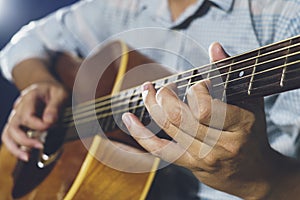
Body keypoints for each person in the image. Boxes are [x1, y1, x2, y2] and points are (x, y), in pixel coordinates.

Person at [1, 0, 300, 199]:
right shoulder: (118, 6)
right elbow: (25, 44)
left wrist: (261, 178)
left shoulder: (287, 14)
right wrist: (38, 83)